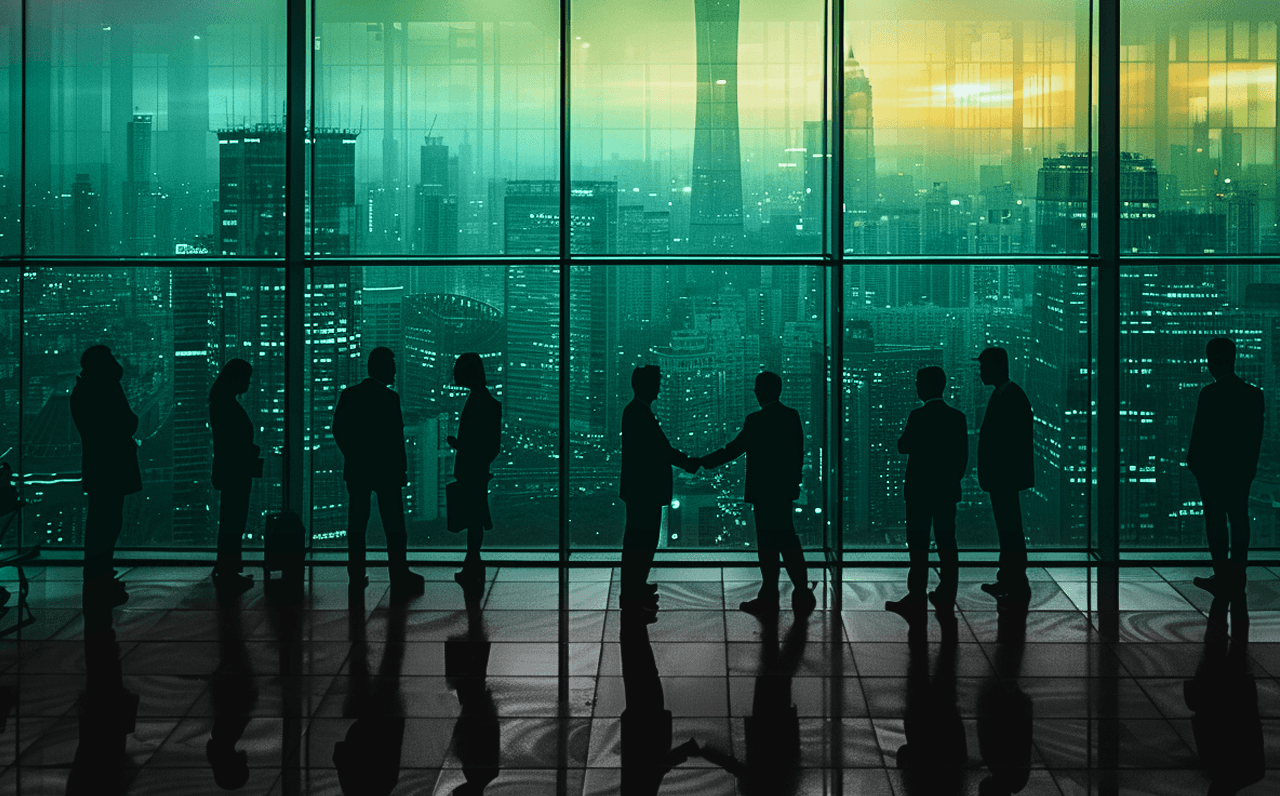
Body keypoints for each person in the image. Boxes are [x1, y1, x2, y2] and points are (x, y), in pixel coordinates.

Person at [698, 371, 815, 615]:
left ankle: (770, 596)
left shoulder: (755, 421)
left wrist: (702, 462)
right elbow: (797, 455)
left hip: (763, 493)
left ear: (759, 392)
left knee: (768, 544)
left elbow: (733, 450)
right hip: (783, 492)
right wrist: (794, 484)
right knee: (788, 539)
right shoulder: (792, 417)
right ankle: (801, 591)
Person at [332, 347, 424, 599]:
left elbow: (338, 429)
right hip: (386, 471)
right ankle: (399, 573)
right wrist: (401, 470)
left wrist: (353, 455)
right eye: (392, 366)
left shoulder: (349, 395)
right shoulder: (389, 399)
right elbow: (395, 440)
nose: (395, 371)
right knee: (394, 525)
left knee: (357, 525)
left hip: (358, 469)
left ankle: (356, 574)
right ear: (382, 368)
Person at [886, 366, 968, 618]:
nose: (916, 386)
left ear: (927, 386)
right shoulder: (957, 417)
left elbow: (903, 445)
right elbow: (963, 458)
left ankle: (916, 594)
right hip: (945, 491)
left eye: (918, 382)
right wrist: (950, 481)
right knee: (946, 542)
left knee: (918, 545)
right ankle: (947, 592)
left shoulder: (917, 416)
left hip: (919, 491)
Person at [1186, 337, 1264, 599]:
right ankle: (1238, 576)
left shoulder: (1209, 394)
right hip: (1240, 471)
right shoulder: (1254, 395)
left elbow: (1200, 436)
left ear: (1212, 362)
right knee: (1240, 520)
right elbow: (1255, 438)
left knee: (1216, 523)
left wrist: (1195, 465)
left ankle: (1221, 575)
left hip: (1212, 473)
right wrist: (1249, 469)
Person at [619, 366, 698, 616]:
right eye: (657, 382)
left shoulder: (637, 412)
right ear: (647, 386)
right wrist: (688, 462)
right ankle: (632, 594)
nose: (660, 387)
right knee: (642, 541)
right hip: (645, 491)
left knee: (639, 541)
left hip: (641, 490)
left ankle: (636, 588)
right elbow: (661, 450)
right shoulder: (639, 414)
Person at [70, 345, 141, 608]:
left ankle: (99, 573)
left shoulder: (85, 391)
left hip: (101, 466)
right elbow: (127, 423)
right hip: (109, 466)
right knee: (106, 522)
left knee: (104, 521)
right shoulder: (102, 390)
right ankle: (99, 575)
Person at [975, 347, 1034, 607]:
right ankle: (1009, 578)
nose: (980, 372)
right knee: (1008, 528)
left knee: (1010, 528)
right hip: (1003, 477)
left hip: (1005, 477)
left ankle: (1014, 579)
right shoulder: (1006, 395)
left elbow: (1008, 443)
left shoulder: (1011, 397)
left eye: (983, 367)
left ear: (996, 367)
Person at [447, 353, 502, 592]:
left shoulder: (477, 402)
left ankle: (472, 566)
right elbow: (490, 445)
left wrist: (460, 446)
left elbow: (481, 443)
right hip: (478, 469)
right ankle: (473, 565)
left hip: (473, 469)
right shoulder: (486, 401)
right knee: (475, 520)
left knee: (474, 520)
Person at [209, 359, 261, 592]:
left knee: (231, 520)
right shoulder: (227, 405)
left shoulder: (222, 402)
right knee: (233, 520)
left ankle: (227, 568)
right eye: (246, 377)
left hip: (232, 469)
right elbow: (232, 441)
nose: (249, 382)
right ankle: (228, 571)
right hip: (235, 470)